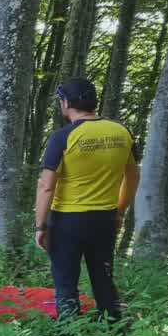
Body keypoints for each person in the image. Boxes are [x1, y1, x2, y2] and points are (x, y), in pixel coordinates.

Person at [34, 77, 140, 321]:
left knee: (65, 282)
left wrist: (40, 225)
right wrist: (120, 211)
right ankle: (113, 329)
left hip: (67, 221)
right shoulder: (122, 132)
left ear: (66, 103)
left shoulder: (62, 137)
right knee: (103, 278)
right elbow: (132, 176)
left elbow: (46, 186)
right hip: (104, 218)